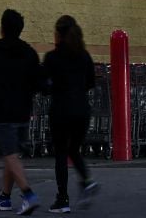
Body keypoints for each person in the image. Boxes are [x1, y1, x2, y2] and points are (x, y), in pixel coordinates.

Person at [0, 9, 45, 215]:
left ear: (2, 28)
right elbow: (38, 82)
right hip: (23, 111)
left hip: (3, 111)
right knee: (12, 154)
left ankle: (28, 194)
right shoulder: (29, 53)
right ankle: (4, 197)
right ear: (20, 29)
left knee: (10, 154)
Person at [43, 15, 99, 213]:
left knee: (61, 153)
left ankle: (62, 199)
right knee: (73, 149)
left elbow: (44, 84)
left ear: (58, 34)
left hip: (61, 110)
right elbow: (91, 82)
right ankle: (87, 180)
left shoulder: (52, 57)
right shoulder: (84, 56)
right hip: (82, 110)